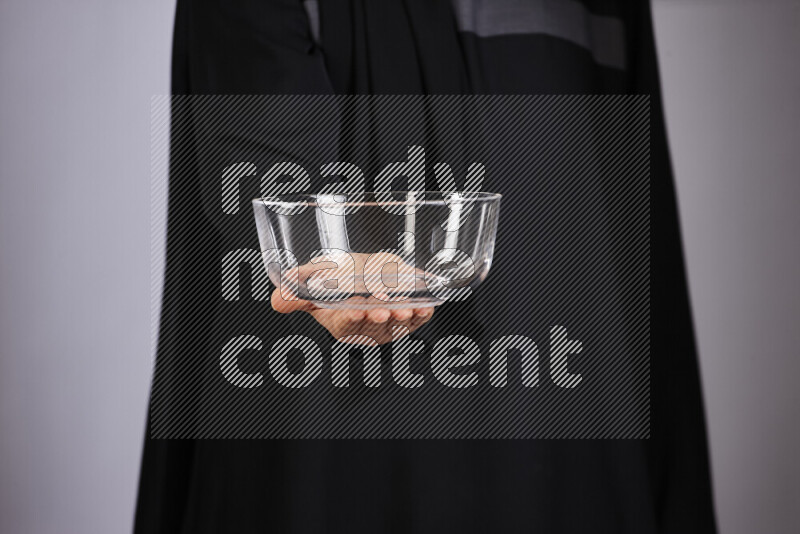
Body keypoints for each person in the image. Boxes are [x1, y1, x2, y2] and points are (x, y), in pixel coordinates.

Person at [135, 1, 717, 532]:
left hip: (569, 420)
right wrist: (323, 257)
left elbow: (633, 233)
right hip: (323, 427)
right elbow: (254, 110)